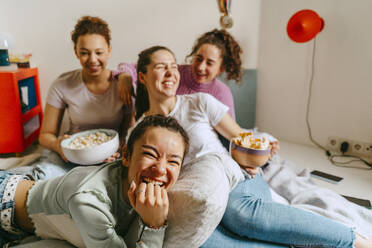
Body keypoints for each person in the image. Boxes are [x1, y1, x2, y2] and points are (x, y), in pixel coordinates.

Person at [131, 45, 372, 248]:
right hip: (195, 193)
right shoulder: (139, 129)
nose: (171, 72)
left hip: (233, 177)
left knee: (239, 214)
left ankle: (353, 241)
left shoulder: (199, 102)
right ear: (142, 77)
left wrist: (255, 152)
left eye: (173, 66)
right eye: (161, 67)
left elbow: (241, 138)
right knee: (203, 238)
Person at [0, 115, 190, 248]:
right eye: (150, 154)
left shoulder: (136, 185)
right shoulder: (89, 199)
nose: (161, 169)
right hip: (5, 205)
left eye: (173, 161)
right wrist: (153, 224)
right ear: (126, 156)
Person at [10, 16, 132, 180]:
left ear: (109, 50)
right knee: (44, 176)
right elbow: (45, 135)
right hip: (72, 155)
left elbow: (128, 130)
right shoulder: (62, 85)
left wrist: (119, 149)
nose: (92, 60)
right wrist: (58, 145)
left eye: (99, 52)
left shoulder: (123, 84)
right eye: (84, 53)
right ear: (76, 52)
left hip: (110, 155)